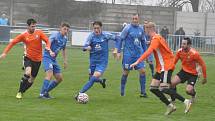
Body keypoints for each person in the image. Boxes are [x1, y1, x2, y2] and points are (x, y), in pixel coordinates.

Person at [130, 22, 192, 115]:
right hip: (161, 67)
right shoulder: (156, 38)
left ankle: (186, 101)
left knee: (163, 88)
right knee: (153, 88)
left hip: (166, 66)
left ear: (149, 29)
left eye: (145, 29)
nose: (144, 31)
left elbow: (149, 51)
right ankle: (170, 106)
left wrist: (137, 61)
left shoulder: (156, 39)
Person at [0, 18, 54, 99]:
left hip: (38, 60)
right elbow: (12, 42)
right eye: (32, 26)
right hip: (28, 58)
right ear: (28, 26)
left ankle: (22, 91)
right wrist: (4, 53)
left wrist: (48, 47)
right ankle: (19, 92)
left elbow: (47, 40)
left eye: (34, 26)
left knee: (32, 80)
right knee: (28, 73)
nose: (34, 28)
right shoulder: (23, 35)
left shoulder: (39, 33)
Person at [75, 21, 118, 99]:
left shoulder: (106, 35)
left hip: (102, 62)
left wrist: (116, 49)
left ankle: (80, 93)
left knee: (94, 78)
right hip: (93, 62)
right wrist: (86, 48)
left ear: (101, 28)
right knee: (91, 79)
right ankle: (101, 81)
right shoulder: (91, 36)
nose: (96, 30)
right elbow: (84, 47)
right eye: (94, 28)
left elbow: (118, 38)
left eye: (98, 28)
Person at [116, 14, 147, 97]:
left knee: (143, 71)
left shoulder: (141, 29)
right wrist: (118, 52)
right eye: (133, 18)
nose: (134, 20)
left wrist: (146, 53)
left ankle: (143, 92)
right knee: (126, 72)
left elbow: (143, 42)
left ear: (138, 19)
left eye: (136, 18)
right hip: (128, 55)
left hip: (138, 55)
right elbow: (120, 39)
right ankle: (122, 91)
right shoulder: (127, 28)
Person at [170, 37, 207, 104]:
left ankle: (194, 94)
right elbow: (173, 63)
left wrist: (204, 77)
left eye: (184, 44)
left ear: (189, 45)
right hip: (183, 72)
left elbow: (203, 64)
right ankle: (173, 99)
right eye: (182, 43)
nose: (182, 45)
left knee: (188, 91)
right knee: (172, 83)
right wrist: (169, 71)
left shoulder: (194, 54)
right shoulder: (179, 52)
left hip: (193, 74)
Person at [39, 22, 70, 99]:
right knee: (49, 74)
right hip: (47, 57)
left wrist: (65, 60)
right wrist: (50, 51)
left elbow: (64, 49)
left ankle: (46, 92)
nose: (66, 31)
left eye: (67, 30)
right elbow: (47, 43)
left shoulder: (65, 39)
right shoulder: (55, 35)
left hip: (53, 59)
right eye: (64, 29)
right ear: (61, 28)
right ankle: (42, 94)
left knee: (59, 78)